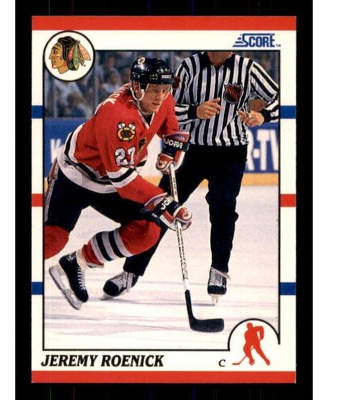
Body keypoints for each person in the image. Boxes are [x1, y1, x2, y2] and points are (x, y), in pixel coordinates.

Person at [102, 51, 279, 304]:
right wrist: (195, 111)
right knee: (160, 207)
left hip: (230, 153)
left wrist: (264, 115)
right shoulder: (189, 66)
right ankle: (131, 271)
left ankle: (219, 270)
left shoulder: (247, 68)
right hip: (192, 151)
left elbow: (283, 97)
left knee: (223, 210)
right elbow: (165, 107)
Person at [45, 57, 192, 310]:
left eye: (164, 89)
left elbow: (169, 126)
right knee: (51, 241)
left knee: (147, 231)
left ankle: (77, 262)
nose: (160, 96)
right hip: (75, 176)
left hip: (110, 182)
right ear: (136, 87)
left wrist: (171, 149)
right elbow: (123, 180)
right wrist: (164, 201)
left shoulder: (164, 98)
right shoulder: (116, 114)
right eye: (154, 90)